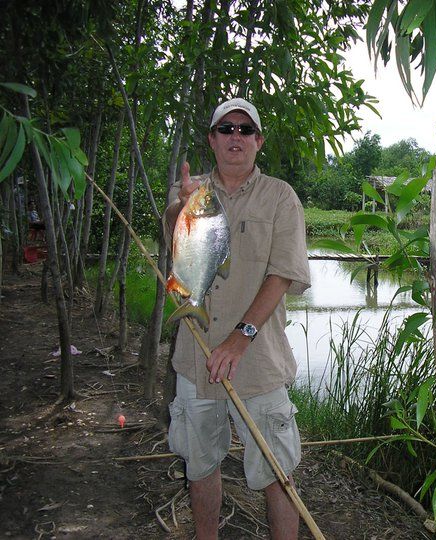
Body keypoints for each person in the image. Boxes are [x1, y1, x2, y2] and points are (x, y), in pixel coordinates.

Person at [163, 97, 311, 540]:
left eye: (245, 130)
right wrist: (180, 207)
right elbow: (172, 227)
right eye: (225, 129)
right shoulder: (191, 191)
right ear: (212, 139)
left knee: (277, 471)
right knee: (200, 463)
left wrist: (240, 337)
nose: (235, 136)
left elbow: (284, 273)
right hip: (195, 357)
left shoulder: (281, 196)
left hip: (260, 363)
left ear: (258, 141)